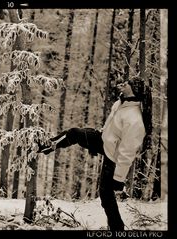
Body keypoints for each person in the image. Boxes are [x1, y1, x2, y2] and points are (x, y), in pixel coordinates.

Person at [37, 77, 146, 230]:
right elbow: (113, 126)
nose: (123, 83)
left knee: (106, 195)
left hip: (113, 157)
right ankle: (43, 146)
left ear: (133, 89)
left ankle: (116, 228)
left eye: (127, 83)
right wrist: (102, 133)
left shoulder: (135, 119)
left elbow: (127, 153)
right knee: (74, 133)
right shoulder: (121, 103)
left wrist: (119, 178)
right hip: (104, 140)